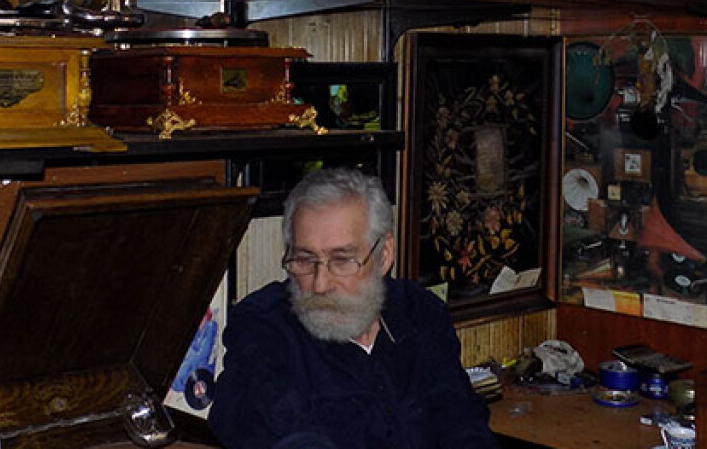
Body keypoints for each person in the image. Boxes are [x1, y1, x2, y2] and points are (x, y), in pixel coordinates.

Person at [208, 168, 498, 449]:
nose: (320, 284)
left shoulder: (421, 315)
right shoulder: (264, 330)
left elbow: (463, 426)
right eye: (305, 259)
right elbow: (262, 432)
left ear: (384, 255)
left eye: (341, 260)